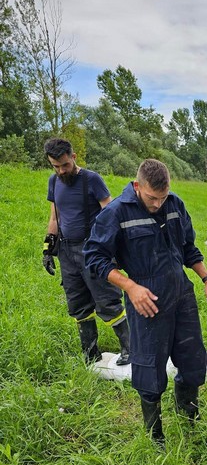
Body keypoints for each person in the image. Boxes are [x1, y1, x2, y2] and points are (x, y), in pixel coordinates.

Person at [83, 158, 207, 443]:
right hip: (146, 299)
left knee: (193, 359)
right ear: (137, 186)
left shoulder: (175, 205)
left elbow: (188, 248)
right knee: (149, 369)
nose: (158, 204)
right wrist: (131, 287)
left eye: (163, 197)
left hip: (181, 294)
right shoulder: (116, 213)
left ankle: (189, 420)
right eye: (152, 198)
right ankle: (154, 436)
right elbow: (94, 257)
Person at [42, 138, 130, 365]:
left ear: (73, 157)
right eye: (56, 166)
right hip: (66, 250)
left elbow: (111, 214)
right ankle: (90, 353)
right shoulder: (54, 182)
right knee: (77, 303)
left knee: (107, 299)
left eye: (65, 165)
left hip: (92, 250)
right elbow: (55, 217)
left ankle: (131, 348)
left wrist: (115, 250)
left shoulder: (92, 180)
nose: (61, 170)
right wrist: (48, 248)